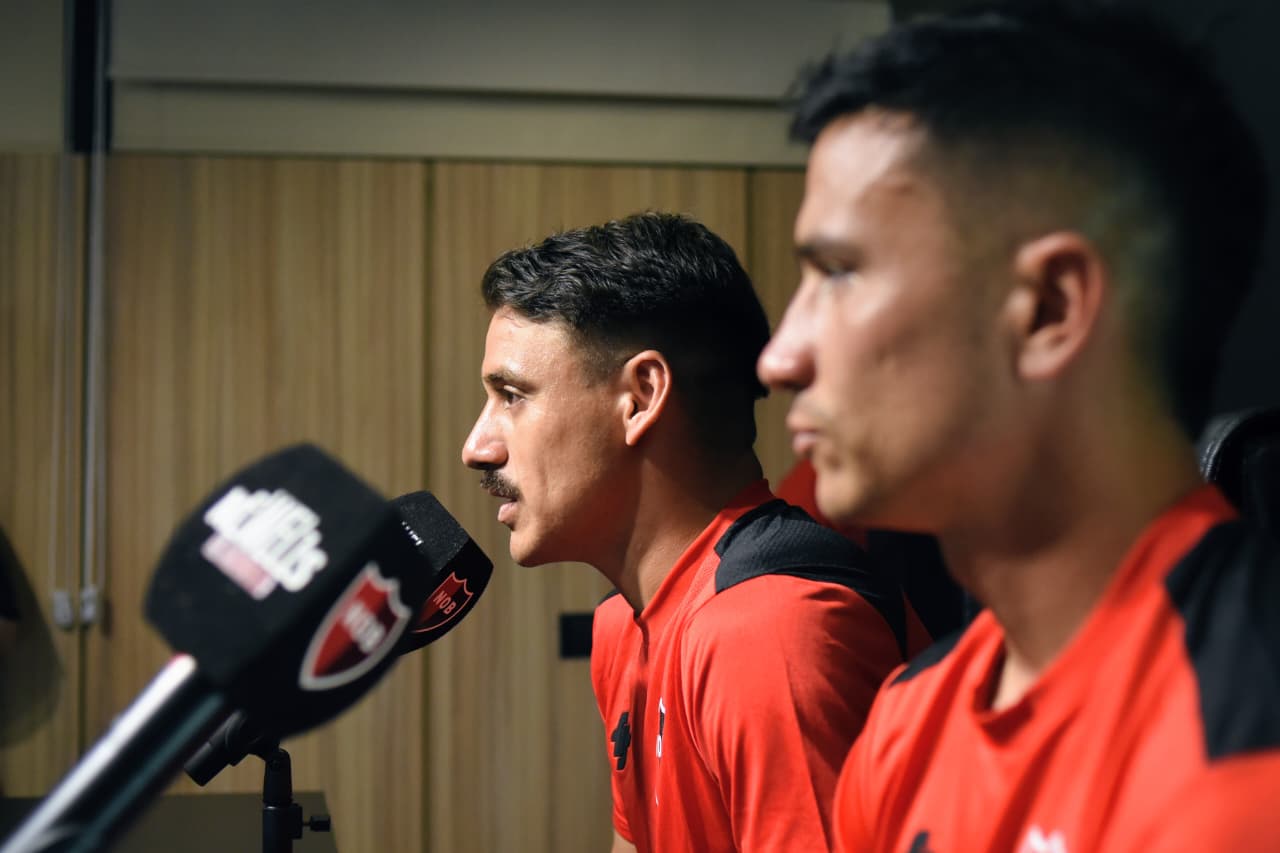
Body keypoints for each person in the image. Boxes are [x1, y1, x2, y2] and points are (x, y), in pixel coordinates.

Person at [757, 3, 1280, 851]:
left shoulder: (1242, 746)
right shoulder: (904, 725)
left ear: (1047, 310)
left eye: (840, 273)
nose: (780, 357)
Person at [462, 212, 922, 852]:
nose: (477, 447)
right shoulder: (622, 628)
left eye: (512, 395)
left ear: (641, 397)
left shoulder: (769, 635)